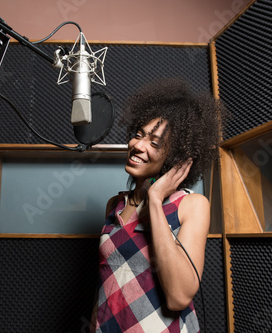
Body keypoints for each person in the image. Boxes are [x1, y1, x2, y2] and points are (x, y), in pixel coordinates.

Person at [91, 77, 224, 332]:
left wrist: (154, 200)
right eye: (138, 135)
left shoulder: (191, 205)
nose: (138, 146)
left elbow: (178, 297)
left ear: (175, 157)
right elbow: (106, 279)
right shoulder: (114, 206)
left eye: (154, 143)